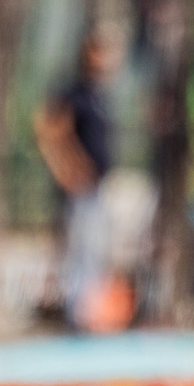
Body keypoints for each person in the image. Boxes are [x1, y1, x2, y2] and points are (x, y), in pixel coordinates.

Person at [33, 28, 123, 330]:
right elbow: (47, 130)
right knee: (79, 253)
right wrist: (65, 169)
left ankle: (90, 313)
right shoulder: (75, 94)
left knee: (95, 252)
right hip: (80, 190)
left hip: (97, 188)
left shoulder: (101, 96)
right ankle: (76, 317)